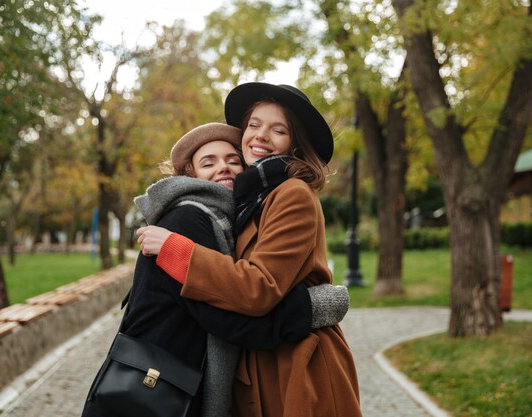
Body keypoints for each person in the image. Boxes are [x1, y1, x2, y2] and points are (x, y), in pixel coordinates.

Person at [82, 122, 350, 417]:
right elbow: (228, 321)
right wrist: (313, 308)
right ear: (189, 174)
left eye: (233, 160)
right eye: (208, 163)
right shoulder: (188, 219)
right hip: (151, 393)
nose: (223, 168)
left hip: (169, 385)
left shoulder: (225, 221)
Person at [137, 83, 363, 417]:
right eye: (254, 125)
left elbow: (259, 287)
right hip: (262, 365)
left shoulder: (291, 194)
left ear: (295, 145)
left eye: (278, 129)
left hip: (300, 366)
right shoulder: (248, 201)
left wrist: (176, 250)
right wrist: (312, 307)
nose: (260, 136)